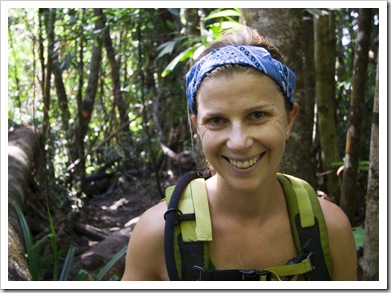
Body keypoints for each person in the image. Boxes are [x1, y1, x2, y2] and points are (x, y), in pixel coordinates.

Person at [121, 26, 357, 281]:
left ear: (289, 120)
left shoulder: (330, 229)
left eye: (257, 116)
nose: (239, 143)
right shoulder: (158, 234)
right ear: (197, 126)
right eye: (217, 120)